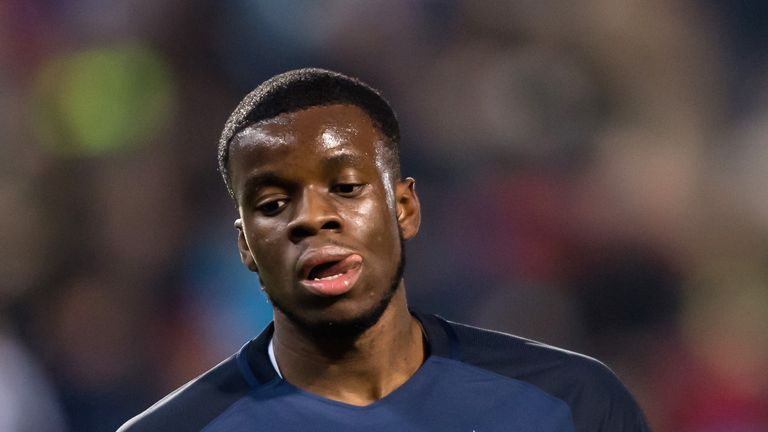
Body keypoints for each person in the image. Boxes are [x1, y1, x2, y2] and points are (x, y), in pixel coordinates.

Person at [118, 68, 650, 431]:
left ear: (405, 208)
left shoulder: (573, 404)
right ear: (246, 246)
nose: (312, 218)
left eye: (346, 188)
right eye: (275, 203)